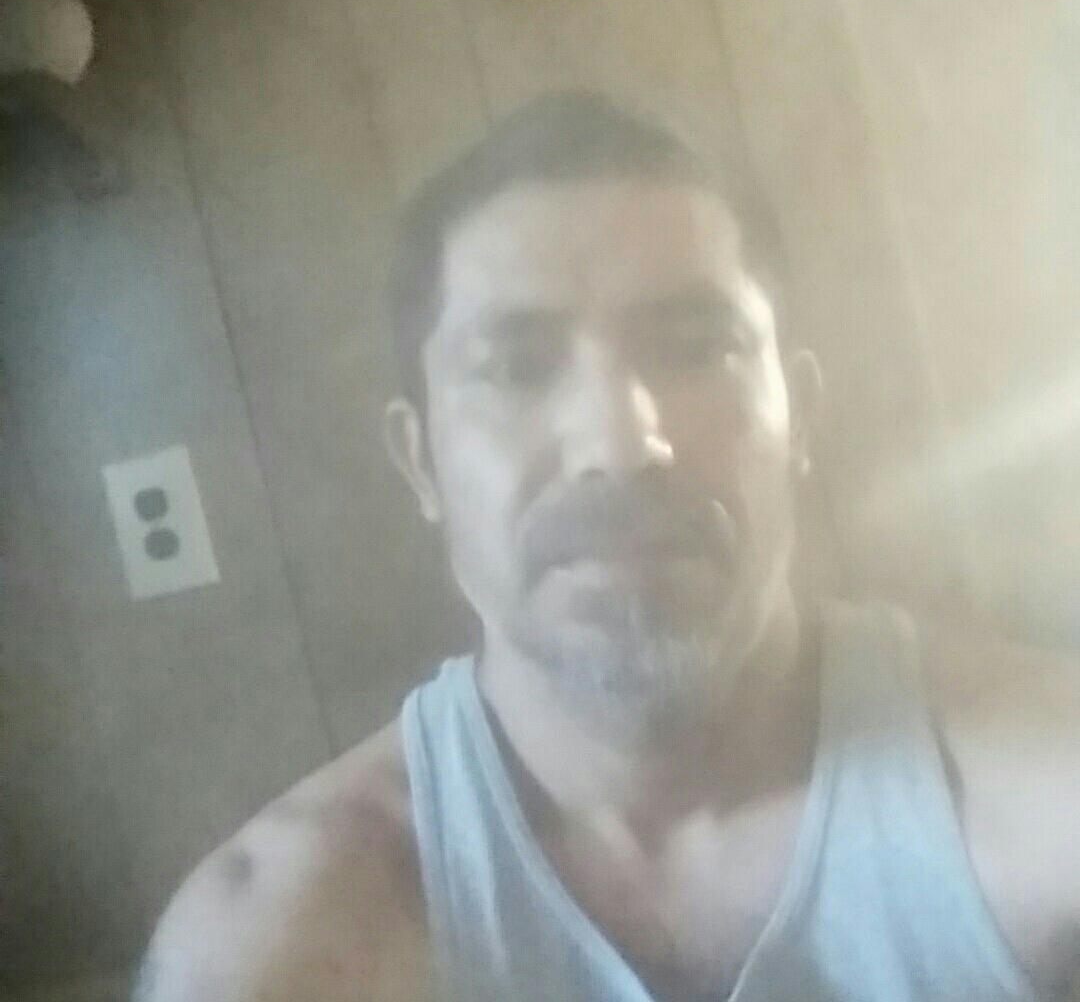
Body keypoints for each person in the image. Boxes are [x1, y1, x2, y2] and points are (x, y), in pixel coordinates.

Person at [136, 93, 1080, 1002]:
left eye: (698, 347)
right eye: (516, 367)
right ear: (422, 462)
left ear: (797, 418)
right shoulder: (284, 937)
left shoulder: (1040, 798)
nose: (622, 444)